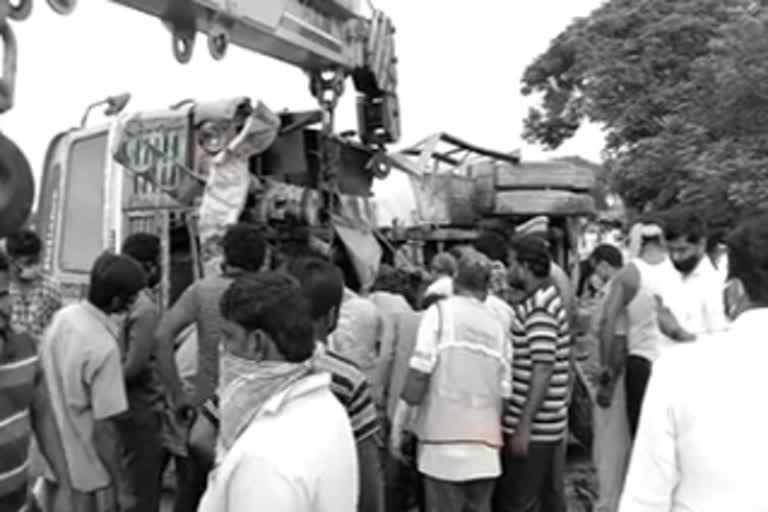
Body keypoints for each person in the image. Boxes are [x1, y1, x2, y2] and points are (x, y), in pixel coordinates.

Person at [618, 215, 768, 511]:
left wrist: (675, 331)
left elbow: (646, 498)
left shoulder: (676, 371)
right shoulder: (664, 280)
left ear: (735, 291)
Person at [198, 272, 358, 511]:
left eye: (229, 336)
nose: (223, 349)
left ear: (257, 343)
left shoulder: (263, 461)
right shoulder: (327, 406)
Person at [154, 223, 266, 511]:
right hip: (253, 414)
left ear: (226, 255)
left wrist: (176, 394)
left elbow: (162, 336)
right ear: (263, 258)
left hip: (203, 412)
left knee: (192, 493)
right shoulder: (269, 295)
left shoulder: (203, 291)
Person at [390, 252, 512, 512]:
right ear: (486, 288)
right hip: (486, 450)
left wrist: (400, 425)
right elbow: (505, 396)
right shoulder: (498, 327)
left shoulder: (438, 314)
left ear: (455, 281)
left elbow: (419, 374)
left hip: (442, 448)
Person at [37, 252, 146, 511]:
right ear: (118, 301)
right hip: (81, 473)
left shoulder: (65, 317)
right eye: (134, 299)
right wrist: (121, 487)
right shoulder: (103, 347)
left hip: (48, 457)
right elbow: (105, 429)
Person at [287, 257, 385, 512]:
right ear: (332, 315)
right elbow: (368, 474)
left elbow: (201, 438)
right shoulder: (347, 381)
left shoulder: (255, 370)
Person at [494, 235, 571, 512]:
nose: (507, 270)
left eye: (511, 263)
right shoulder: (538, 300)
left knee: (519, 502)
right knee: (544, 500)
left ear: (524, 267)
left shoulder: (540, 308)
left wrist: (524, 425)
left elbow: (543, 367)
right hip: (544, 425)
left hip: (536, 429)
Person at [597, 221, 693, 440]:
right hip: (677, 362)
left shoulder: (629, 274)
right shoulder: (680, 270)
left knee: (643, 437)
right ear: (662, 241)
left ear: (638, 242)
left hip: (642, 363)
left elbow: (608, 323)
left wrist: (606, 369)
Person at [0, 250, 67, 512]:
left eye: (4, 294)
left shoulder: (26, 348)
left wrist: (64, 481)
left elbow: (43, 415)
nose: (3, 306)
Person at [119, 233, 165, 512]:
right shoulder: (144, 306)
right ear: (147, 266)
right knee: (143, 489)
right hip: (141, 408)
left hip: (122, 407)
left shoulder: (118, 300)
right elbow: (135, 366)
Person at [583, 245, 631, 512]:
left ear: (602, 264)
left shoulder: (617, 290)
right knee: (605, 446)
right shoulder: (612, 289)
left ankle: (609, 505)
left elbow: (618, 340)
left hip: (610, 385)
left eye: (595, 267)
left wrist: (607, 384)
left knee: (610, 449)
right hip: (606, 381)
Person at [663, 210, 728, 338]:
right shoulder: (663, 273)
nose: (676, 257)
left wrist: (677, 333)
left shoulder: (714, 282)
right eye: (670, 250)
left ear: (701, 244)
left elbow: (719, 339)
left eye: (682, 250)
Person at [5, 229, 62, 339]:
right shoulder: (3, 288)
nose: (34, 266)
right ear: (11, 260)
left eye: (37, 260)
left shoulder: (51, 288)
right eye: (28, 262)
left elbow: (59, 329)